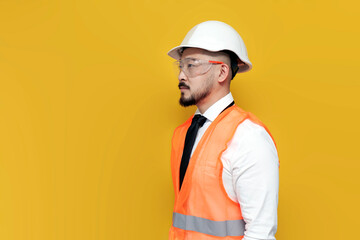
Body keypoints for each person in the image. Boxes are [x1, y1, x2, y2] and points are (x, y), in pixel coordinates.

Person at [167, 21, 279, 240]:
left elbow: (260, 234)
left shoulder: (248, 137)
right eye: (181, 65)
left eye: (192, 65)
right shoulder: (182, 134)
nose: (181, 75)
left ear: (222, 72)